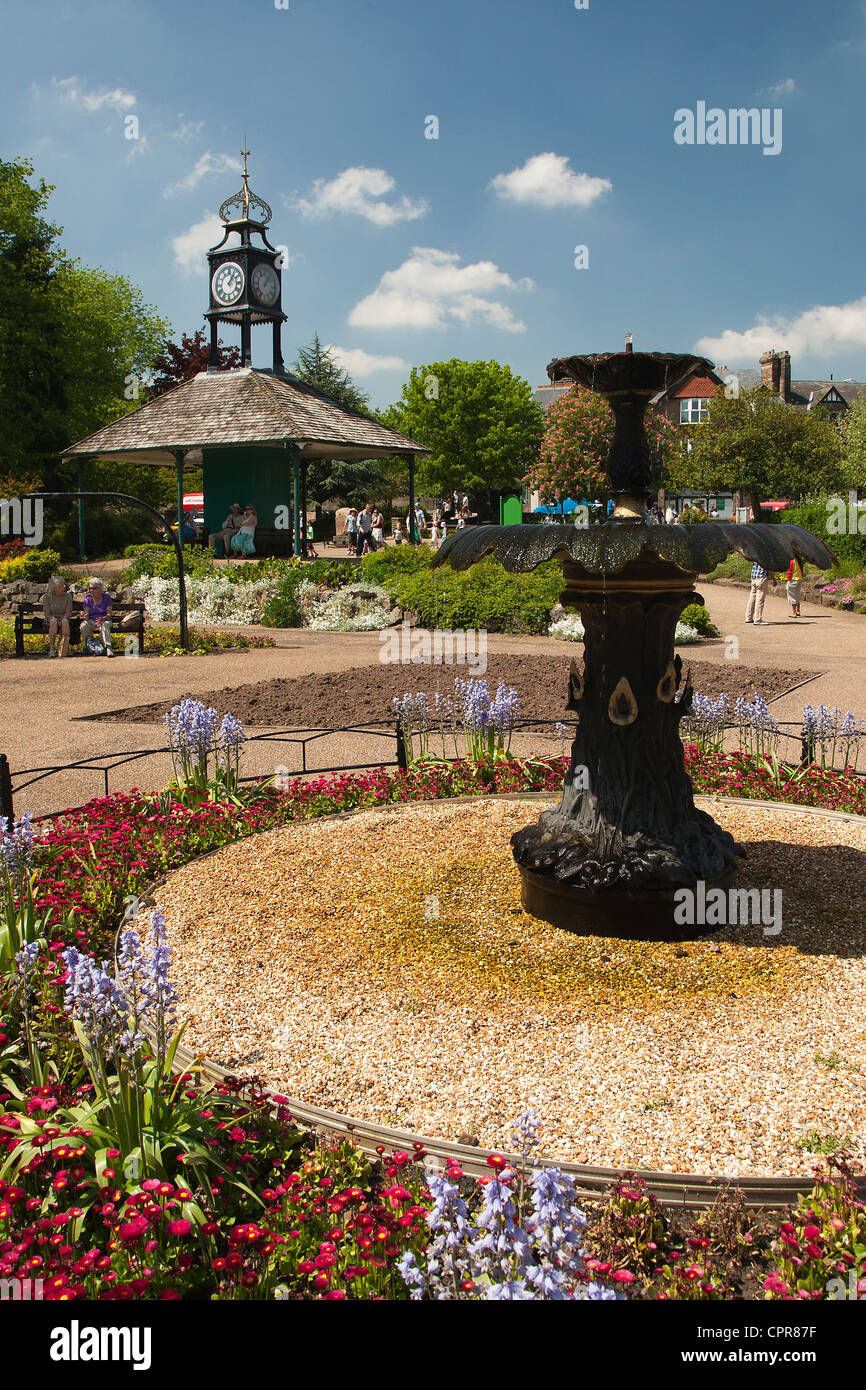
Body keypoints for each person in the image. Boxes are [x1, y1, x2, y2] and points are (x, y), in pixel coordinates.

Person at [81, 577, 114, 656]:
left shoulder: (106, 598)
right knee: (84, 625)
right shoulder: (88, 598)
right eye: (90, 588)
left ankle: (108, 647)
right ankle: (89, 646)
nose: (92, 590)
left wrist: (102, 618)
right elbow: (86, 613)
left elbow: (109, 614)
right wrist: (86, 616)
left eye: (94, 588)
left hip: (104, 620)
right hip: (92, 621)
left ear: (100, 588)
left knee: (105, 625)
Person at [42, 576, 72, 658]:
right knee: (53, 621)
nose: (62, 588)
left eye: (63, 586)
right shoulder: (47, 597)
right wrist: (52, 618)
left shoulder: (68, 596)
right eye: (60, 587)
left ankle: (64, 647)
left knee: (65, 622)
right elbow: (47, 613)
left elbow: (68, 611)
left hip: (63, 617)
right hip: (51, 619)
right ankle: (52, 648)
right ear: (54, 588)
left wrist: (63, 618)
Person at [745, 561, 776, 625]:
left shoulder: (756, 554)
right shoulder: (766, 556)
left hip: (754, 576)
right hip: (761, 577)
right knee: (760, 599)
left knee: (752, 597)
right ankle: (758, 619)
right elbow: (769, 568)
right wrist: (773, 578)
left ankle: (748, 617)